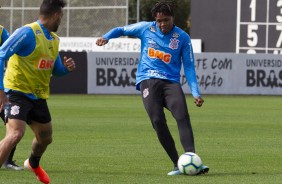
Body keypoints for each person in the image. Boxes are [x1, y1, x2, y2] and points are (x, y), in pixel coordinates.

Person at [96, 1, 209, 176]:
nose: (163, 24)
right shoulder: (145, 28)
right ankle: (176, 164)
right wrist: (107, 37)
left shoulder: (182, 38)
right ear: (155, 20)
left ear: (173, 18)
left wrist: (196, 92)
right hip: (148, 80)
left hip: (171, 83)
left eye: (166, 20)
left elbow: (188, 67)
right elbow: (121, 29)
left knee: (182, 115)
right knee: (157, 121)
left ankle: (193, 160)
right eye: (159, 21)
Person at [0, 0, 75, 183]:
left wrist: (66, 68)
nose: (61, 21)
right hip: (17, 92)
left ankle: (33, 162)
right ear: (56, 15)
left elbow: (55, 70)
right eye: (61, 17)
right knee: (15, 134)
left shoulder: (54, 40)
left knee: (45, 138)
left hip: (38, 97)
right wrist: (1, 90)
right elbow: (1, 54)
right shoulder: (27, 32)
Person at [0, 25, 23, 171]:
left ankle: (7, 160)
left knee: (13, 124)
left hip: (2, 89)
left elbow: (13, 50)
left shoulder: (1, 30)